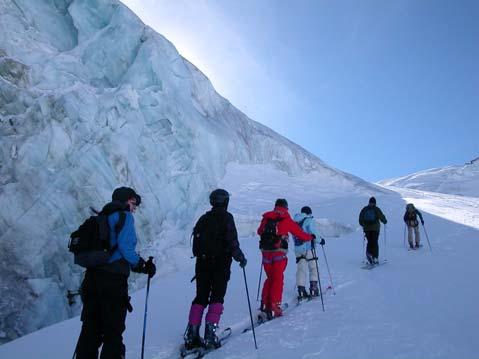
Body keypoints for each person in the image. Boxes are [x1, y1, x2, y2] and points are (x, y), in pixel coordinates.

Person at [76, 187, 156, 359]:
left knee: (90, 330)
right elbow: (126, 249)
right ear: (125, 200)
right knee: (113, 332)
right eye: (133, 202)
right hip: (112, 283)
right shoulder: (124, 217)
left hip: (91, 280)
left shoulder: (101, 217)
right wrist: (143, 265)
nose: (134, 207)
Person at [184, 189, 247, 350]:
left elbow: (195, 247)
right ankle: (210, 335)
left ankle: (191, 334)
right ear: (225, 201)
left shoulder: (204, 219)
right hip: (220, 264)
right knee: (217, 297)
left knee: (200, 297)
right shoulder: (227, 217)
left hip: (202, 264)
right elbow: (232, 241)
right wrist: (240, 257)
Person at [257, 199, 314, 319]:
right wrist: (310, 237)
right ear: (286, 208)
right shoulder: (286, 219)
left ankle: (264, 304)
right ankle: (274, 306)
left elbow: (259, 231)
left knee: (270, 278)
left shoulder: (267, 217)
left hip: (265, 252)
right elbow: (300, 234)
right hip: (278, 253)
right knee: (278, 279)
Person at [293, 206, 325, 301]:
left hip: (298, 249)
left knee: (301, 269)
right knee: (313, 267)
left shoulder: (294, 221)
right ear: (309, 213)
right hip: (309, 248)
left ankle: (301, 290)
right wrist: (321, 240)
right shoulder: (309, 220)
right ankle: (313, 289)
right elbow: (314, 233)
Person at [358, 197, 387, 265]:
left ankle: (369, 256)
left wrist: (364, 225)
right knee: (375, 242)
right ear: (375, 203)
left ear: (369, 202)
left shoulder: (364, 209)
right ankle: (375, 258)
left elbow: (360, 219)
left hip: (367, 229)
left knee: (369, 242)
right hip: (375, 229)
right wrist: (385, 221)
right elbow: (381, 217)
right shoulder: (376, 209)